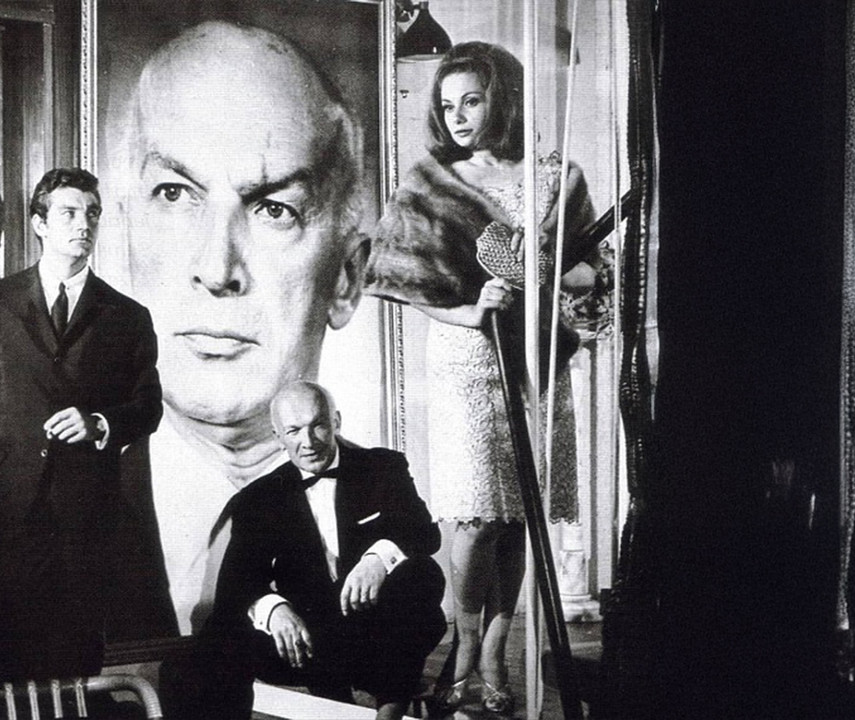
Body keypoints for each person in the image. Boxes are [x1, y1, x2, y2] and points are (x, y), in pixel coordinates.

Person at [365, 42, 602, 715]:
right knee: (473, 519)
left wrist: (551, 276)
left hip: (536, 361)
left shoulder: (557, 178)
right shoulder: (430, 183)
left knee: (517, 517)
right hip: (465, 360)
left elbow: (592, 272)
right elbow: (397, 277)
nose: (459, 116)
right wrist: (469, 310)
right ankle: (466, 642)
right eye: (448, 106)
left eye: (472, 100)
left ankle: (497, 652)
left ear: (505, 99)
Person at [113, 20, 371, 634]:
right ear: (124, 239)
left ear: (346, 278)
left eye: (274, 209)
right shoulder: (70, 511)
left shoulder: (379, 498)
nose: (216, 269)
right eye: (174, 194)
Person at [0, 167, 173, 678]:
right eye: (69, 213)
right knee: (0, 663)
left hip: (86, 519)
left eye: (92, 214)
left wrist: (98, 424)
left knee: (73, 662)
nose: (83, 225)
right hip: (4, 514)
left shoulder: (127, 316)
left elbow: (148, 407)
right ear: (39, 224)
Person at [162, 381, 446, 720]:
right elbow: (235, 585)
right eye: (294, 431)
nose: (308, 442)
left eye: (318, 425)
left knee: (422, 572)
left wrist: (377, 559)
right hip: (308, 639)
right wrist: (274, 610)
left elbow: (424, 533)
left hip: (378, 629)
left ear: (336, 421)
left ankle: (390, 712)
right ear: (277, 435)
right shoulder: (258, 498)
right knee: (202, 652)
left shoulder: (382, 467)